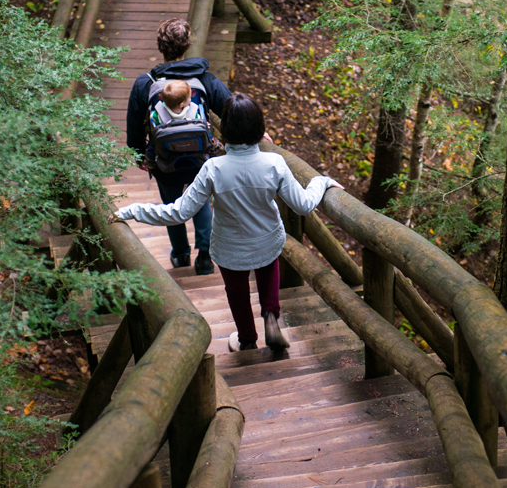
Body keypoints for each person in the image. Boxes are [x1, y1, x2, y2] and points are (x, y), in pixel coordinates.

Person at [111, 93, 342, 352]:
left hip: (229, 247)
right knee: (268, 269)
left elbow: (178, 213)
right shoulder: (274, 163)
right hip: (267, 239)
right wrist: (320, 181)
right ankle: (271, 317)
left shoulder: (213, 169)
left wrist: (133, 211)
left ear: (225, 130)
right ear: (259, 128)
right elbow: (302, 204)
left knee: (237, 292)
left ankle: (246, 339)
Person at [126, 19, 231, 275]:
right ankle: (205, 256)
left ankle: (181, 254)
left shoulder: (145, 83)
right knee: (201, 201)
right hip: (201, 158)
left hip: (164, 160)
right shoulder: (204, 79)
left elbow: (133, 123)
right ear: (188, 44)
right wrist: (257, 130)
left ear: (161, 46)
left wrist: (138, 154)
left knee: (171, 204)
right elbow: (230, 107)